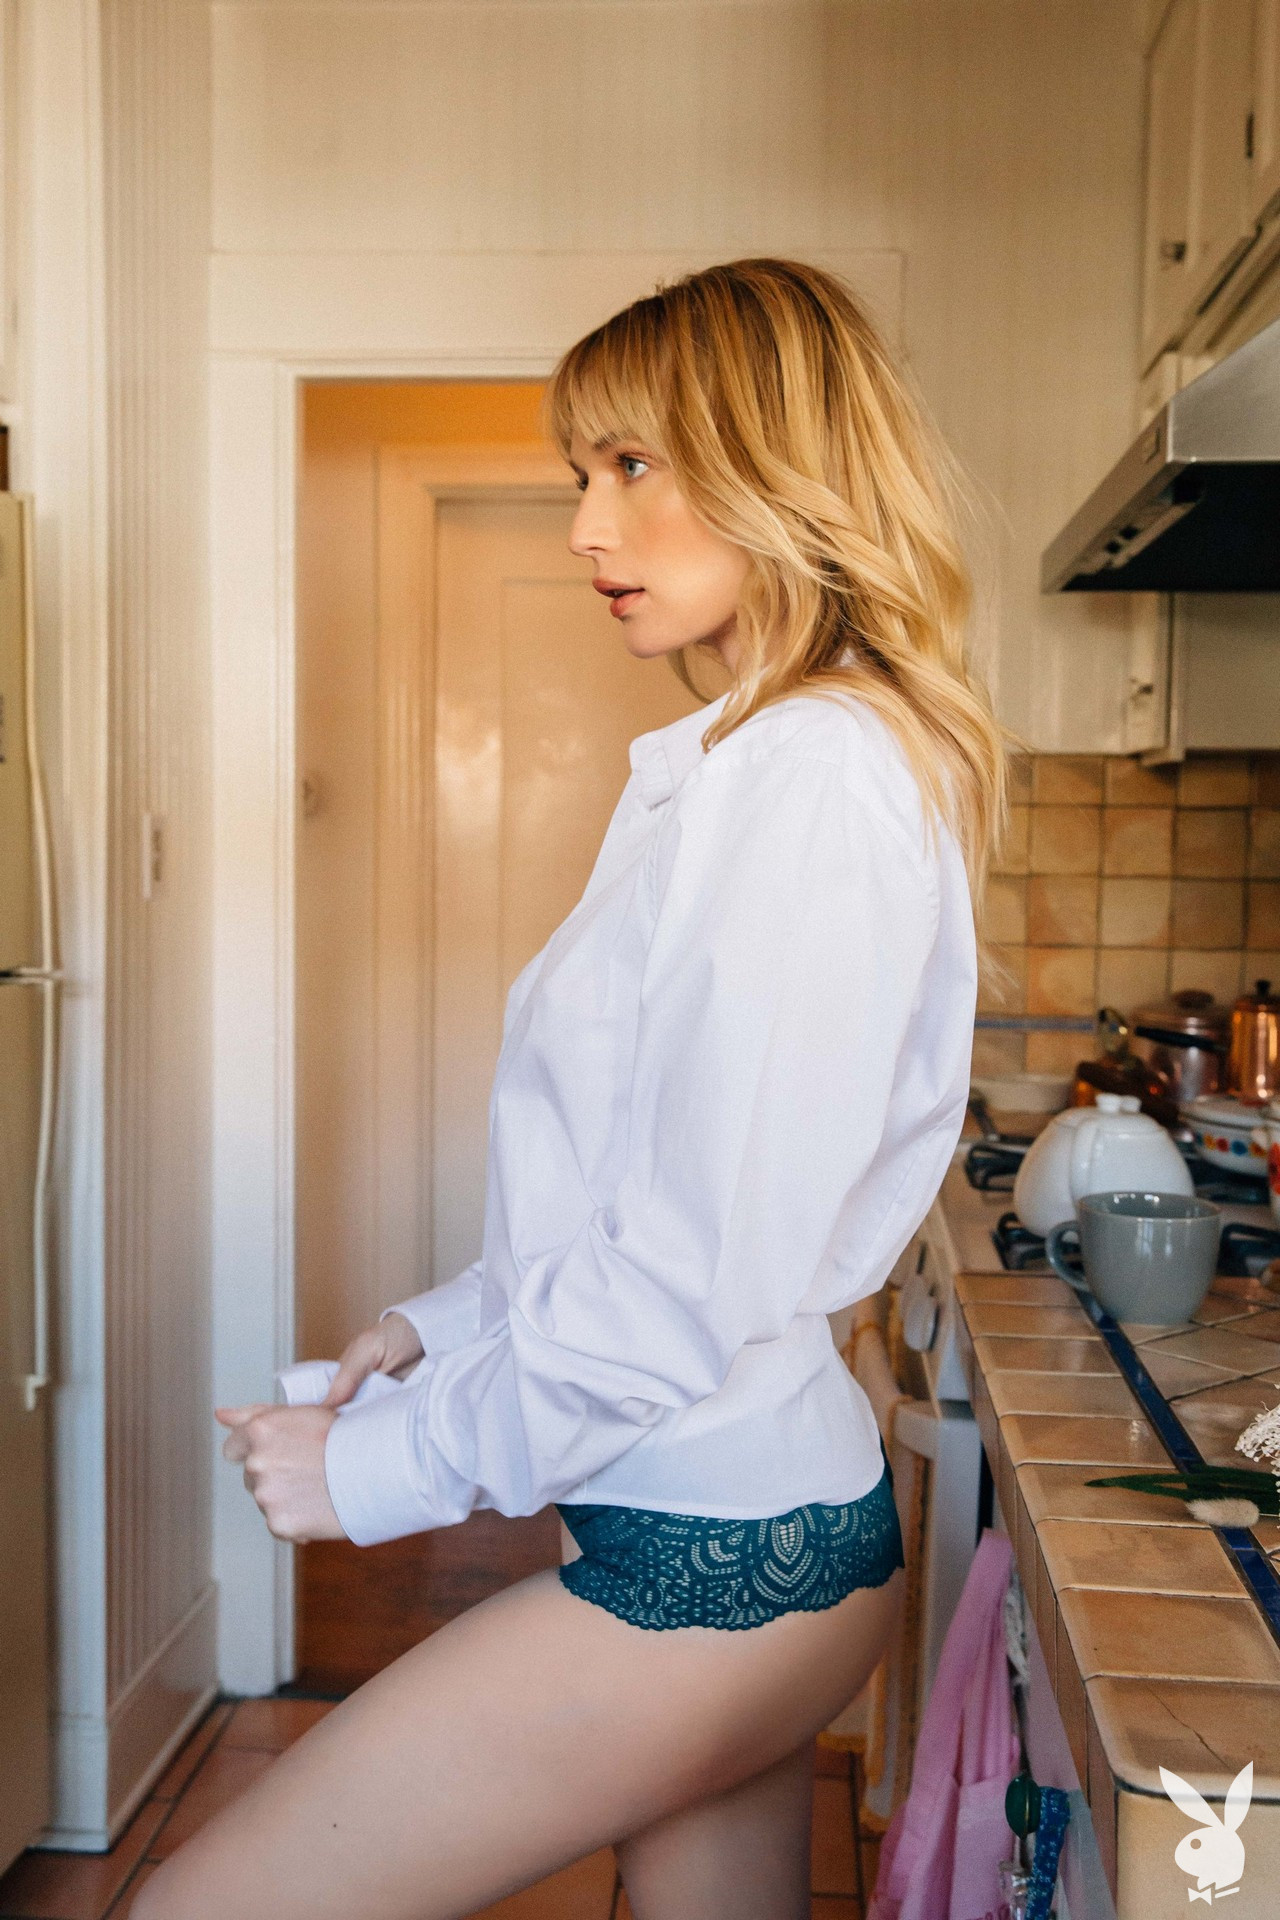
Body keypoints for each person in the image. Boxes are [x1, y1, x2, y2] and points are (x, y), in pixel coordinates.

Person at [137, 258, 1005, 1920]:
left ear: (777, 465)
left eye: (634, 465)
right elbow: (645, 1191)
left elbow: (682, 1274)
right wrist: (435, 1331)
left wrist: (375, 1473)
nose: (587, 529)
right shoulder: (749, 764)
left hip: (714, 1556)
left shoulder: (811, 777)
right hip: (724, 1518)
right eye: (578, 477)